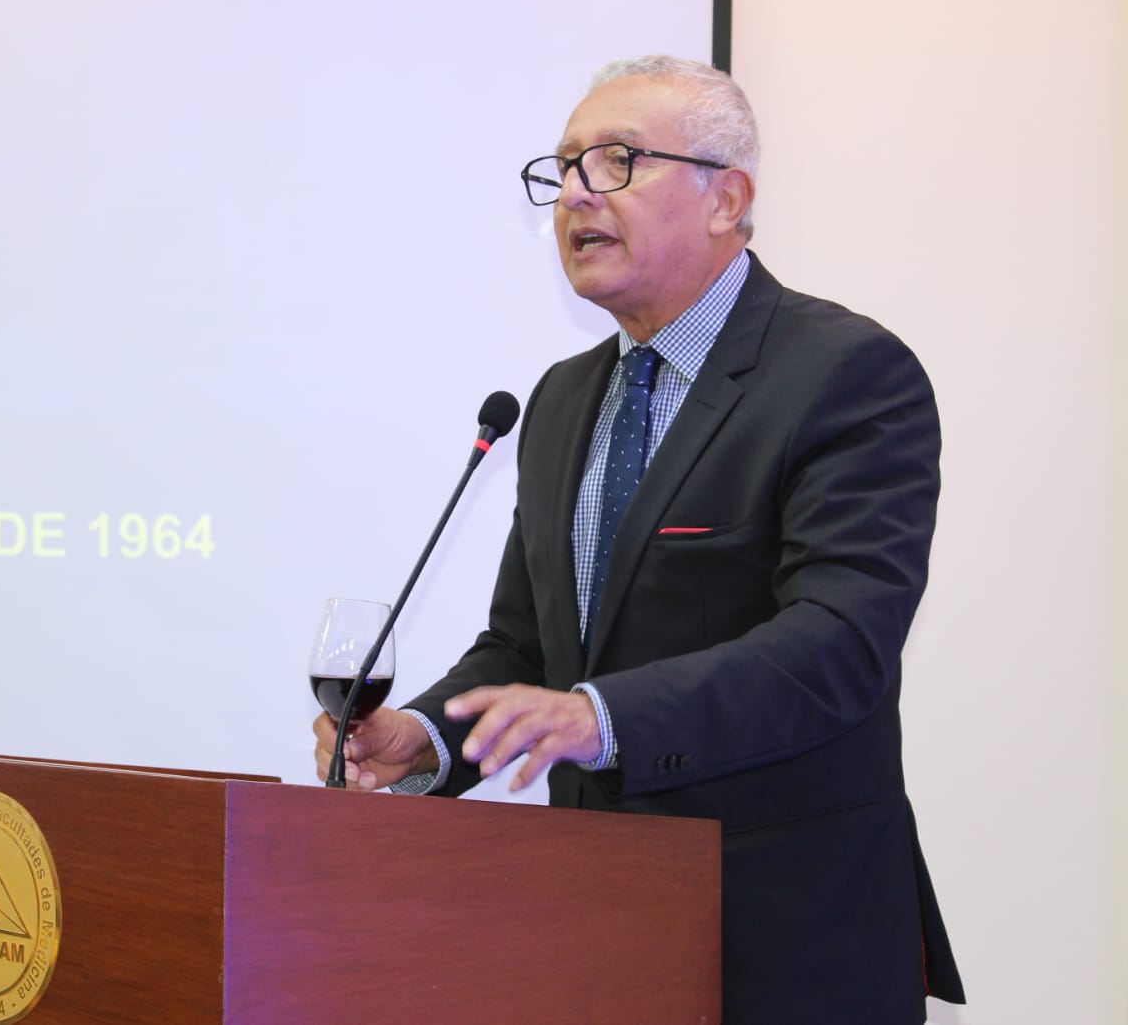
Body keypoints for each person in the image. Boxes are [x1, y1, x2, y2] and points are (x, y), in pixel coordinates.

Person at [312, 55, 964, 1024]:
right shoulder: (564, 396)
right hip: (593, 934)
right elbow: (527, 646)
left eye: (616, 161)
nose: (576, 192)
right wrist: (426, 740)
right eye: (565, 167)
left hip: (785, 943)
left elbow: (839, 645)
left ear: (725, 198)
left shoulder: (844, 374)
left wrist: (599, 714)